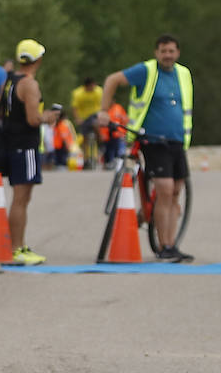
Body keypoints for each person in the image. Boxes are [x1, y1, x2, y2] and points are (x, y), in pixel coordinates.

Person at [101, 35, 195, 261]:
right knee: (164, 189)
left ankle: (171, 244)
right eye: (163, 51)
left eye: (171, 51)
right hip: (152, 141)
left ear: (178, 53)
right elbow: (112, 80)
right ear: (156, 53)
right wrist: (104, 111)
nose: (167, 55)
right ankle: (163, 247)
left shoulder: (183, 74)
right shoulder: (146, 71)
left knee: (175, 192)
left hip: (177, 141)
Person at [1, 39, 61, 265]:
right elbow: (33, 118)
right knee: (21, 198)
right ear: (39, 59)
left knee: (21, 198)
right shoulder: (29, 84)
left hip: (13, 143)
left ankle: (19, 245)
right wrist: (49, 117)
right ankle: (16, 248)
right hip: (25, 145)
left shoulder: (11, 81)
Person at [71, 76, 103, 167]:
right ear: (86, 86)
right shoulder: (78, 93)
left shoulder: (99, 91)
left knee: (95, 123)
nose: (93, 88)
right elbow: (75, 108)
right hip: (84, 118)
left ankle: (101, 143)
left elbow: (104, 103)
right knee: (84, 138)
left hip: (95, 115)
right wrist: (77, 118)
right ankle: (85, 159)